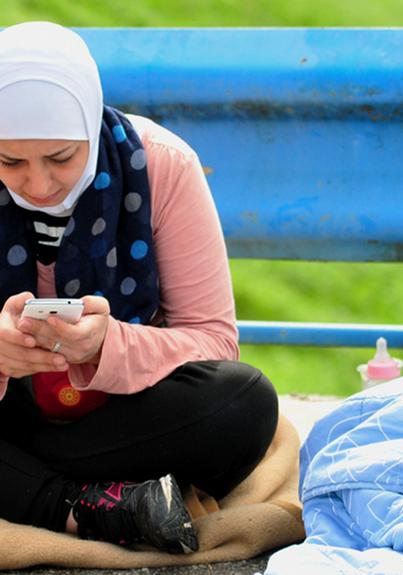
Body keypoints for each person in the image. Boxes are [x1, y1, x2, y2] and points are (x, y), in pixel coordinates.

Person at [0, 21, 278, 554]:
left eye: (61, 157)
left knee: (243, 403)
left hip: (121, 413)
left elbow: (214, 341)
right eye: (10, 162)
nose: (39, 185)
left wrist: (109, 346)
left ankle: (30, 489)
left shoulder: (161, 165)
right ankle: (86, 507)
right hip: (13, 413)